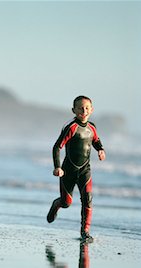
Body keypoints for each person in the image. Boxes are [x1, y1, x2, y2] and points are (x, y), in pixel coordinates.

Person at [47, 96, 106, 243]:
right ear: (74, 110)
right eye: (80, 108)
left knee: (88, 199)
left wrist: (100, 149)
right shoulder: (71, 127)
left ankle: (85, 232)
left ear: (91, 110)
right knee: (67, 203)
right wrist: (57, 167)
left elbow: (96, 140)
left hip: (85, 169)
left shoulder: (92, 127)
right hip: (68, 170)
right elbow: (57, 147)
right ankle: (57, 204)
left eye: (87, 108)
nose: (84, 111)